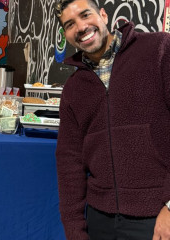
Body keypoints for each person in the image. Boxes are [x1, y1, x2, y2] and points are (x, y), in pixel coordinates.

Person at [54, 0, 170, 239]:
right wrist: (74, 229)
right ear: (66, 34)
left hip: (158, 215)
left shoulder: (159, 49)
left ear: (104, 15)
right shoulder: (73, 88)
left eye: (86, 15)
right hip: (100, 219)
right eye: (70, 24)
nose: (81, 27)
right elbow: (69, 162)